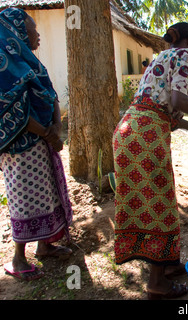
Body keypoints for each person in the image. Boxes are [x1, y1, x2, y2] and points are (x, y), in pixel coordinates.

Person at [112, 22, 188, 300]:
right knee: (159, 205)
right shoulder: (185, 55)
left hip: (128, 132)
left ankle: (167, 263)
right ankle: (156, 283)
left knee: (148, 202)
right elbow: (180, 99)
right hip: (146, 137)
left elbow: (172, 113)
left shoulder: (160, 60)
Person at [0, 8, 73, 281]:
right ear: (16, 35)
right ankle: (18, 258)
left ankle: (45, 245)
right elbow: (11, 107)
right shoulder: (3, 68)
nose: (37, 35)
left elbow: (51, 93)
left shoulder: (30, 62)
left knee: (48, 194)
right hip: (21, 149)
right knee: (24, 199)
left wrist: (56, 126)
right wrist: (47, 133)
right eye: (32, 31)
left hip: (43, 142)